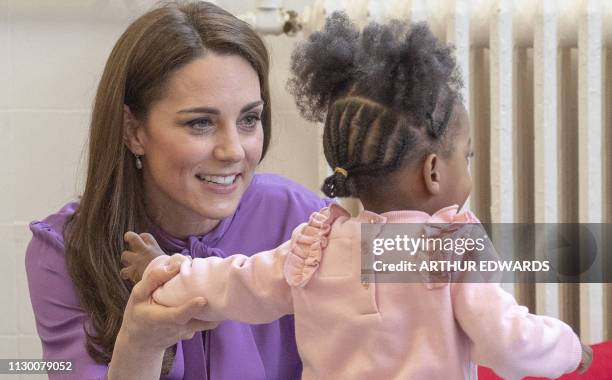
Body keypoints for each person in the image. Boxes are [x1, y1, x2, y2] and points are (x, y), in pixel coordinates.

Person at [123, 13, 593, 379]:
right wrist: (571, 349)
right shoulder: (451, 244)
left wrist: (163, 271)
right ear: (433, 171)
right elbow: (505, 341)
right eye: (464, 157)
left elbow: (234, 284)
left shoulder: (318, 244)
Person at [24, 2, 331, 379]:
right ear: (133, 131)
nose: (233, 150)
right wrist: (139, 343)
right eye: (201, 123)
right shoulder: (64, 252)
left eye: (249, 119)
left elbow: (419, 260)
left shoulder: (304, 217)